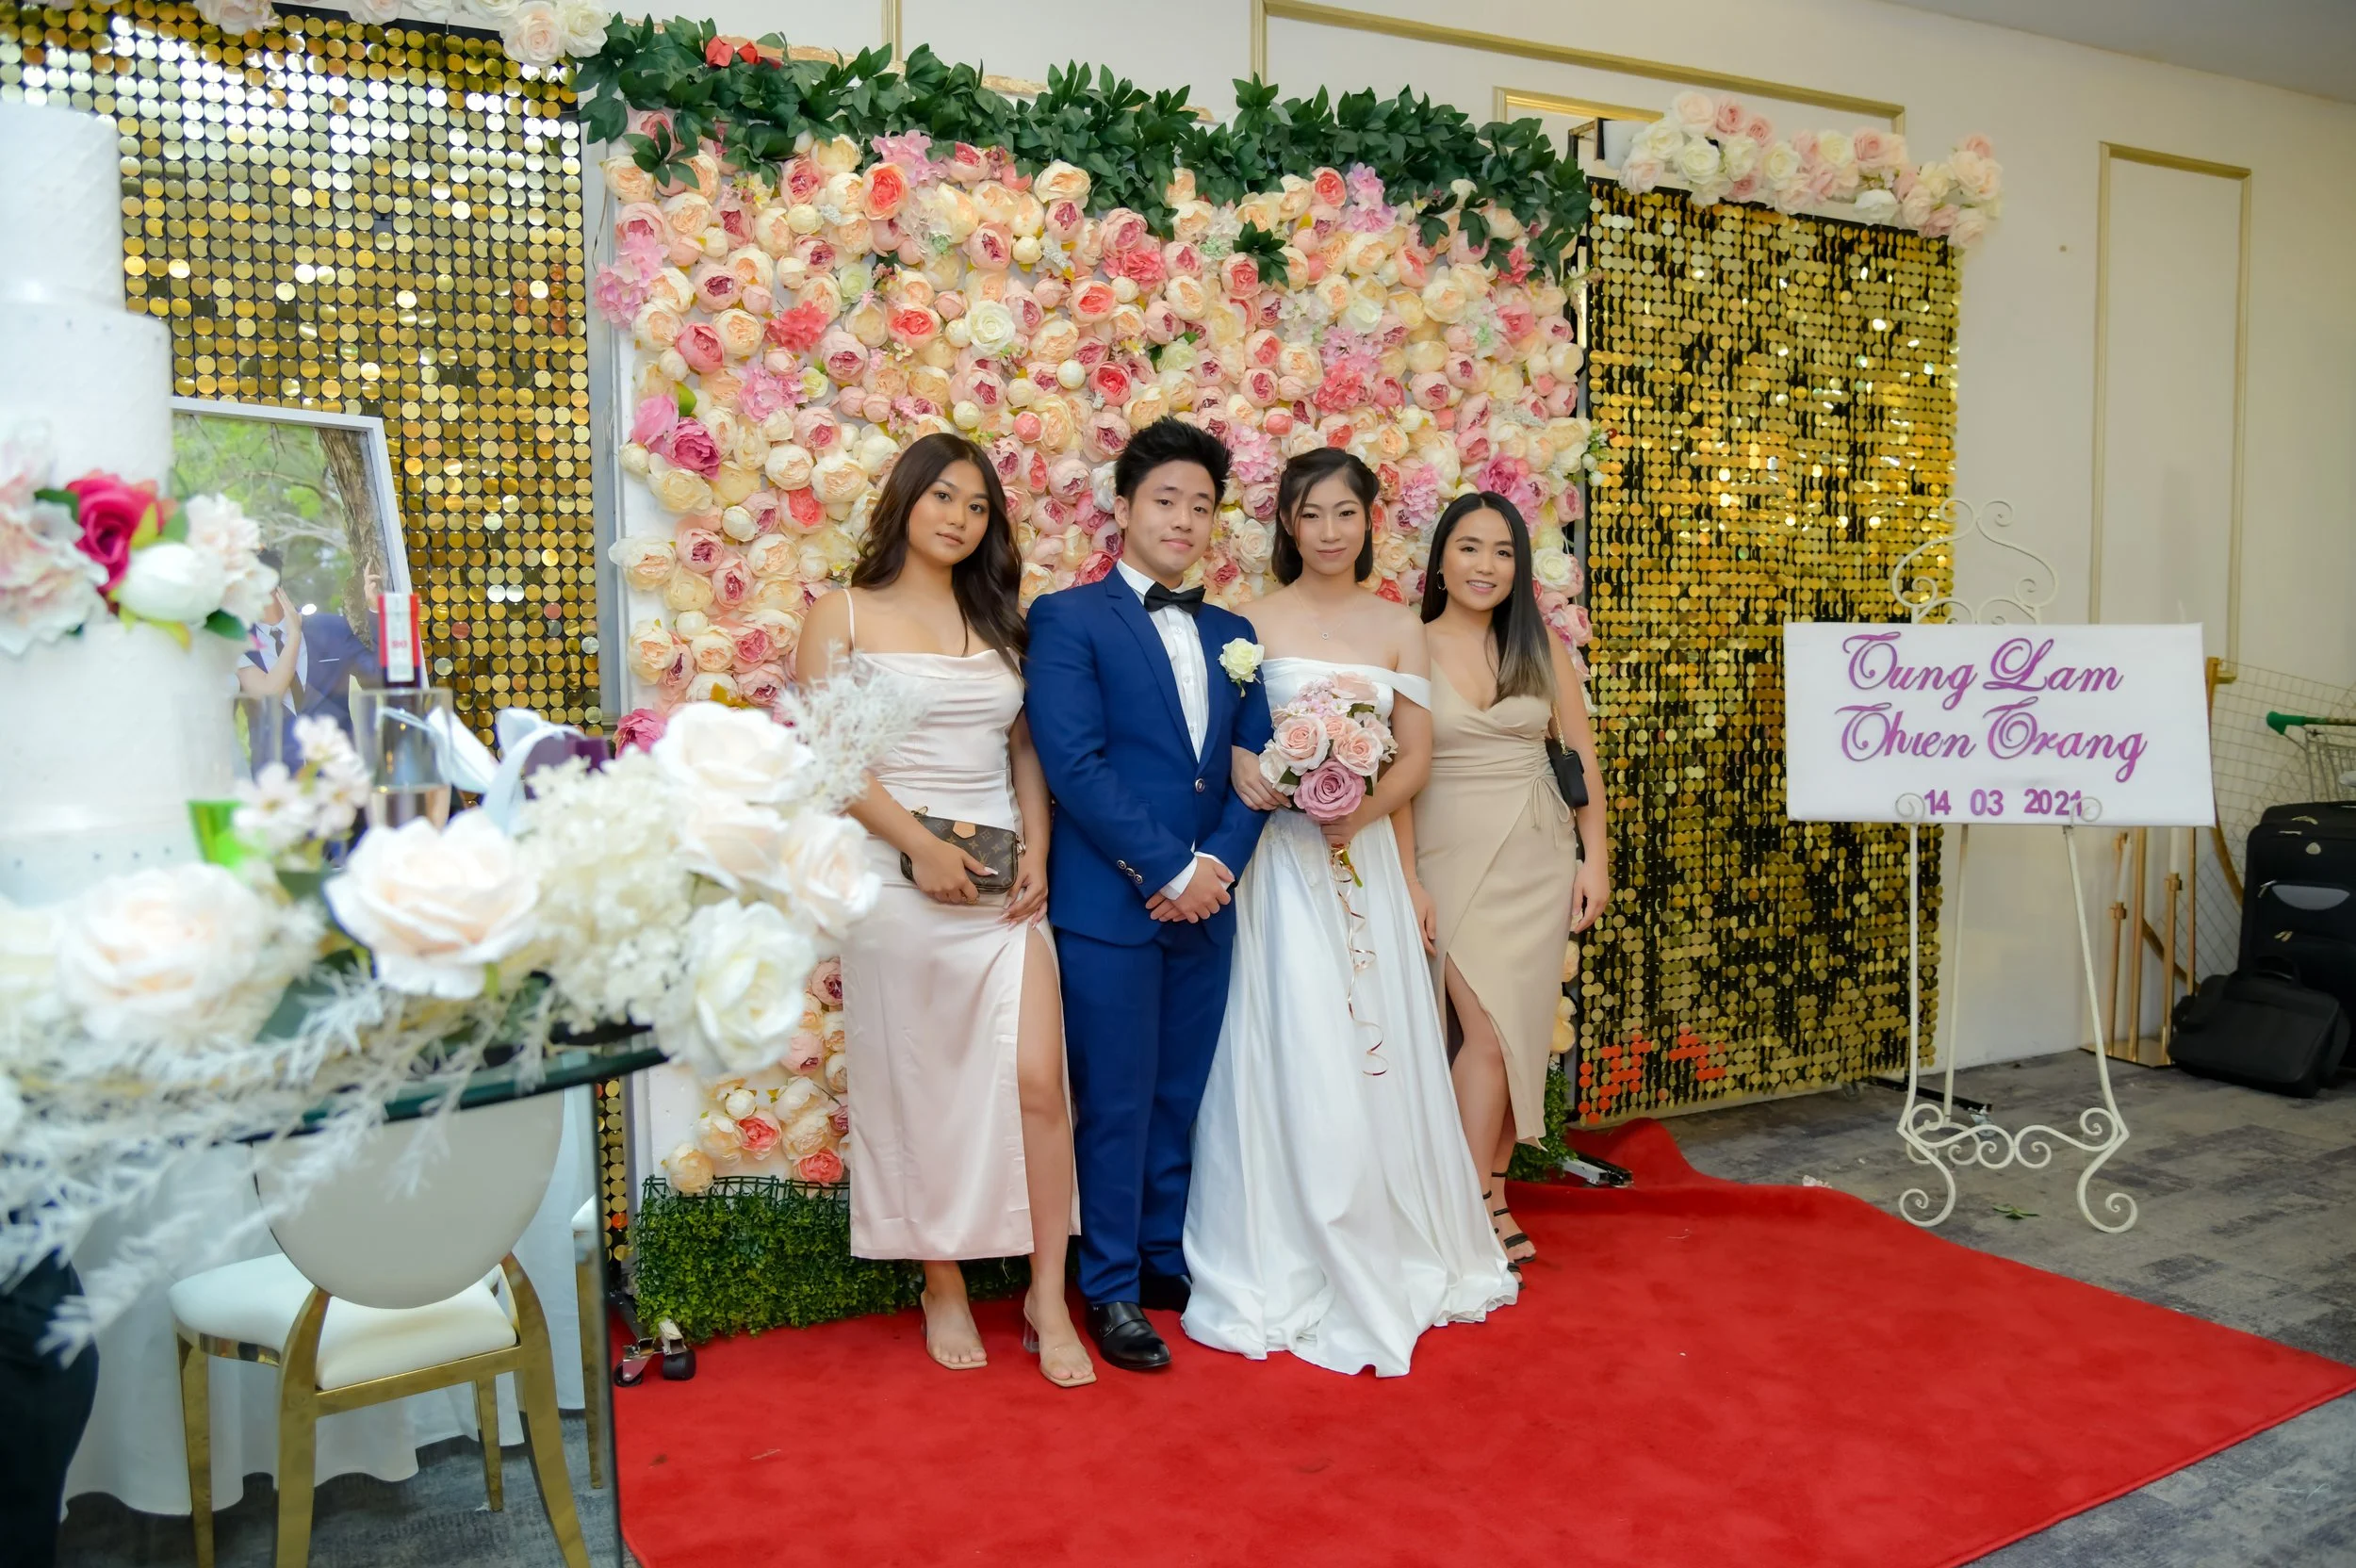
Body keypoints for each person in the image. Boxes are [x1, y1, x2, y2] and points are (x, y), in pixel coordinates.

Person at [1182, 449, 1516, 1376]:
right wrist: (1258, 773)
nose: (1329, 532)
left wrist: (1363, 819)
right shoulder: (1245, 620)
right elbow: (1221, 745)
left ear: (1371, 521)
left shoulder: (1396, 627)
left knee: (1370, 1036)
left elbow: (1413, 760)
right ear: (1286, 523)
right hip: (1274, 864)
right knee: (1289, 1036)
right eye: (1310, 515)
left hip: (1358, 853)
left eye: (1345, 514)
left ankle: (1389, 1228)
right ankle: (1279, 1238)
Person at [796, 433, 1093, 1390]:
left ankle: (1048, 1292)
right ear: (906, 500)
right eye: (944, 497)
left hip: (1004, 886)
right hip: (896, 883)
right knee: (916, 1081)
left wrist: (1037, 851)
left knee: (1041, 1080)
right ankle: (942, 1280)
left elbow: (1024, 750)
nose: (960, 518)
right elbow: (833, 760)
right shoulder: (838, 612)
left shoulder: (1000, 618)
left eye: (977, 505)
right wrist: (921, 849)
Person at [1024, 418, 1276, 1374]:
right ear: (1123, 507)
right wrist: (1168, 870)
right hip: (1111, 906)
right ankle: (1111, 1285)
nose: (1184, 518)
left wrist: (1218, 868)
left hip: (1209, 904)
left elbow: (1259, 768)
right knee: (1116, 1100)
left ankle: (1168, 1258)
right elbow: (1075, 765)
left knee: (1180, 1094)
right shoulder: (1068, 617)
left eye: (1201, 505)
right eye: (1165, 499)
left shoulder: (1235, 633)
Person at [1414, 493, 1611, 1272]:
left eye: (1502, 552)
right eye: (1469, 548)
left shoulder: (1542, 650)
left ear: (1519, 568)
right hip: (1448, 856)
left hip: (1537, 855)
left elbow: (1581, 763)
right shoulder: (1411, 644)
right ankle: (1465, 1207)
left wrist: (1594, 858)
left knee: (1513, 1037)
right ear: (1440, 561)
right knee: (1484, 1034)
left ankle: (1491, 1192)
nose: (1485, 565)